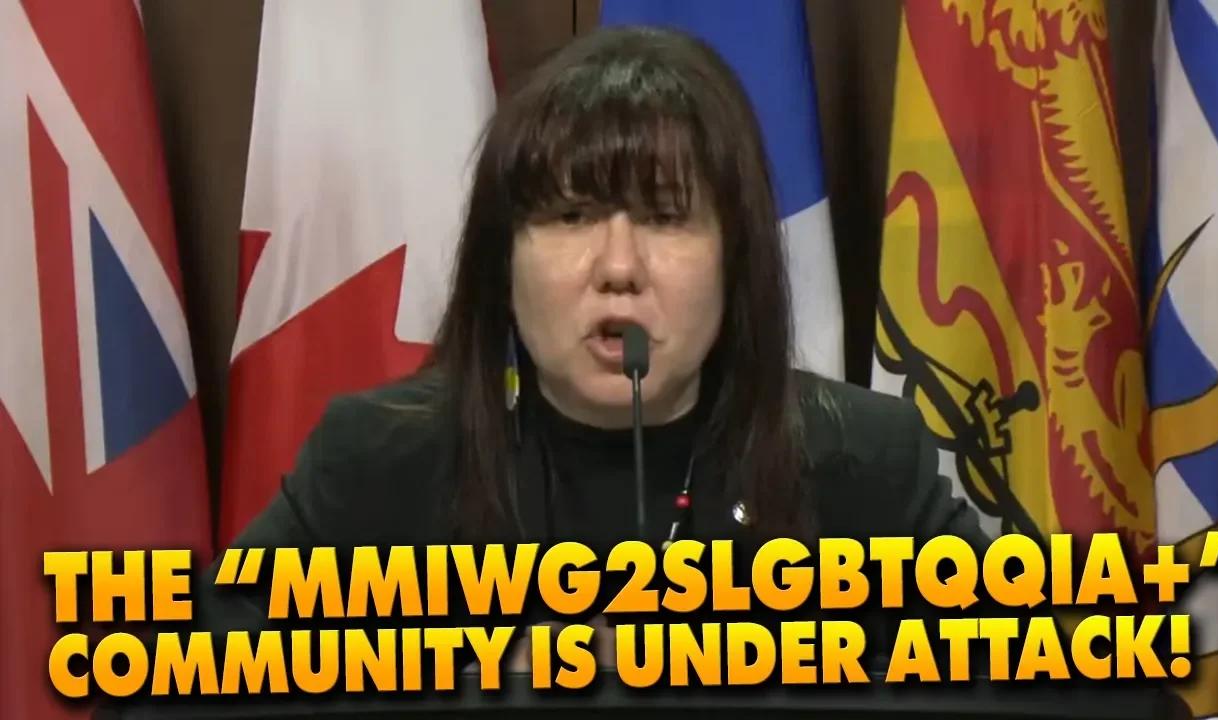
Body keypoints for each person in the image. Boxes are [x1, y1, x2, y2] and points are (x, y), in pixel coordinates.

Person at [194, 24, 989, 637]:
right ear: (502, 262)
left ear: (735, 260)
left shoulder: (859, 462)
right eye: (572, 217)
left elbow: (1032, 670)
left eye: (665, 218)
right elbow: (192, 680)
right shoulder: (380, 461)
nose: (619, 266)